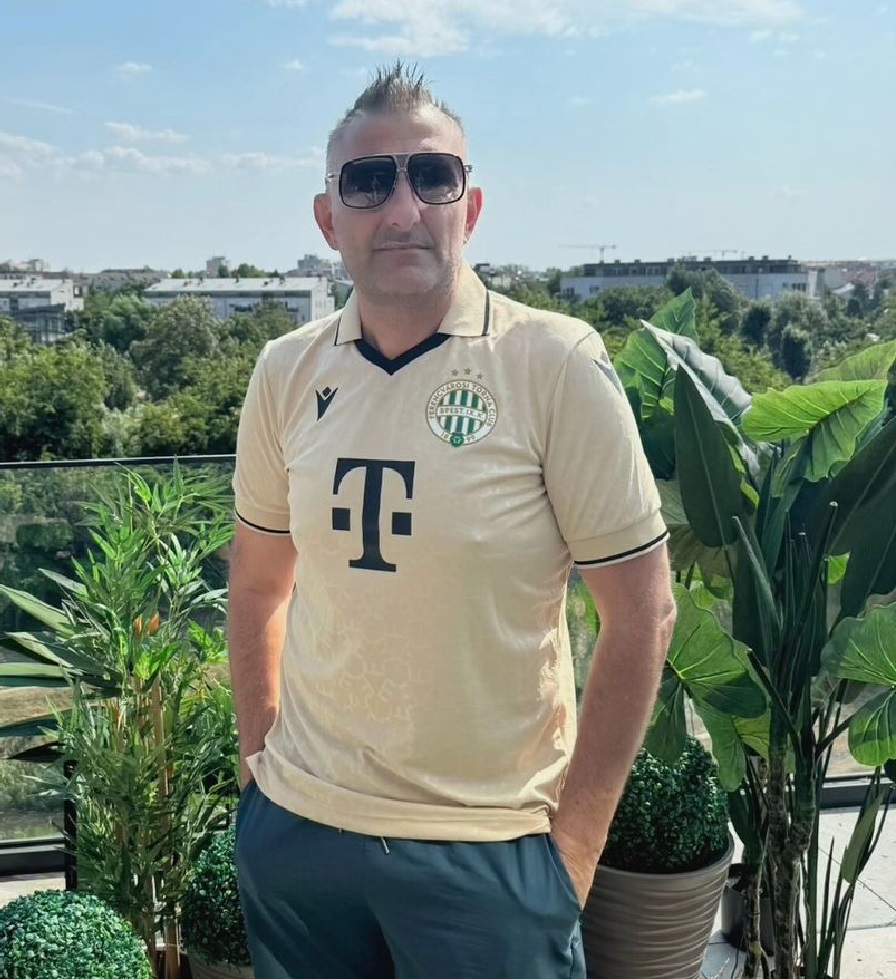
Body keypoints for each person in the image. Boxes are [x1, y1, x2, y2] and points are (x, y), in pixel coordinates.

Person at [227, 61, 677, 979]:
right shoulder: (285, 370)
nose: (403, 207)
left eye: (432, 176)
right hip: (301, 838)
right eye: (368, 181)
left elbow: (643, 612)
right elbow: (260, 583)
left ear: (468, 208)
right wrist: (259, 774)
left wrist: (572, 853)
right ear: (328, 218)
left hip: (490, 845)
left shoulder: (554, 363)